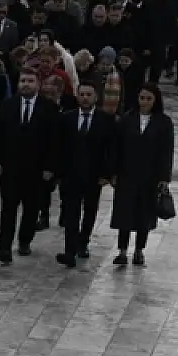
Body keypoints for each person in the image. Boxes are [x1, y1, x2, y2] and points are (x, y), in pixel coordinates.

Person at [0, 67, 59, 264]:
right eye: (22, 81)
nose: (25, 85)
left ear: (38, 84)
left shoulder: (48, 108)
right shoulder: (8, 105)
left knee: (31, 209)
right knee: (8, 208)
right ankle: (4, 247)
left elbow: (53, 141)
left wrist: (50, 167)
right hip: (11, 167)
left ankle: (24, 240)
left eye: (30, 81)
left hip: (37, 170)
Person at [53, 82, 116, 267]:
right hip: (71, 175)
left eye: (89, 94)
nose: (85, 98)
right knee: (71, 213)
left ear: (96, 97)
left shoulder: (105, 120)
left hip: (94, 175)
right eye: (82, 94)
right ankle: (69, 250)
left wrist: (107, 173)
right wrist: (59, 171)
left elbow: (110, 149)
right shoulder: (67, 118)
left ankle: (83, 242)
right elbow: (59, 147)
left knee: (89, 210)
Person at [111, 83, 174, 266]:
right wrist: (113, 171)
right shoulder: (126, 120)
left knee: (144, 214)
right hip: (127, 173)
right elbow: (117, 148)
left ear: (155, 100)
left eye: (148, 99)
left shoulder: (164, 123)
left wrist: (164, 177)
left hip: (150, 176)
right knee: (124, 213)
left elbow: (166, 151)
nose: (144, 102)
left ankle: (139, 250)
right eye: (142, 98)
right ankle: (122, 250)